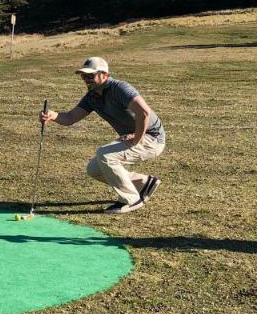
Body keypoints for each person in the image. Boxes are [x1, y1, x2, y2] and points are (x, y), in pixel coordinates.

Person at [39, 57, 166, 214]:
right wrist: (52, 115)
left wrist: (137, 138)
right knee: (94, 169)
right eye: (83, 76)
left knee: (105, 155)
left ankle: (132, 200)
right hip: (138, 137)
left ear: (105, 75)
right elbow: (70, 118)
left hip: (152, 138)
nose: (86, 79)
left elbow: (144, 112)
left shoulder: (120, 88)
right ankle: (144, 183)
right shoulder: (92, 97)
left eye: (90, 75)